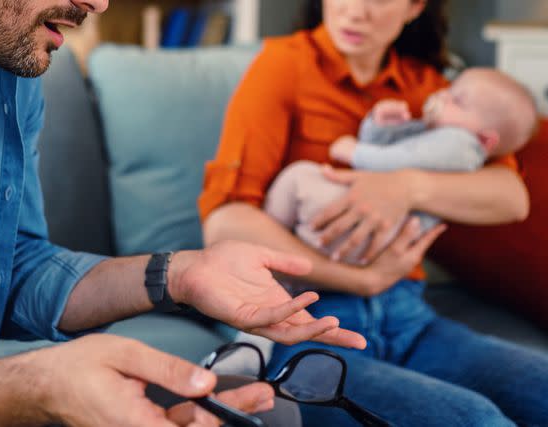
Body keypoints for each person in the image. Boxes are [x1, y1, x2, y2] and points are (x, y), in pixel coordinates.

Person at [0, 0, 369, 426]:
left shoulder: (8, 79)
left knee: (275, 412)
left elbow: (10, 271)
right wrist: (34, 386)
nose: (100, 3)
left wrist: (180, 274)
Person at [200, 0, 548, 425]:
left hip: (410, 319)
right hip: (308, 321)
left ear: (414, 7)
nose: (356, 11)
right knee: (476, 419)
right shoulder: (283, 66)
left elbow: (511, 197)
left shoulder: (429, 89)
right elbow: (224, 225)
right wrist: (360, 279)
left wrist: (403, 186)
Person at [265, 68, 538, 265]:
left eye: (457, 100)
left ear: (486, 138)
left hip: (374, 227)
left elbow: (395, 163)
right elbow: (390, 152)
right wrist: (379, 125)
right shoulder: (440, 134)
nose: (441, 95)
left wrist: (354, 152)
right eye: (449, 89)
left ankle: (266, 245)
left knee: (297, 177)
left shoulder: (459, 144)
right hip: (373, 231)